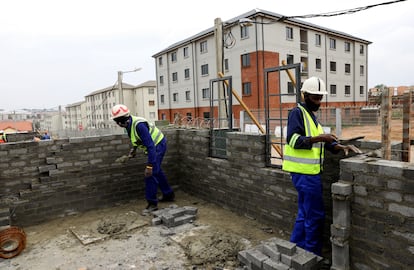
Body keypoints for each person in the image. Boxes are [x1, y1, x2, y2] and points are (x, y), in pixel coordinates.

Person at [282, 77, 362, 256]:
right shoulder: (297, 113)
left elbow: (321, 142)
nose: (318, 101)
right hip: (305, 175)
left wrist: (339, 147)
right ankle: (311, 254)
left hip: (308, 174)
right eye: (314, 97)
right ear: (305, 95)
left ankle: (295, 248)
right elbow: (293, 140)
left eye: (320, 97)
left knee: (304, 214)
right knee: (315, 215)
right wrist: (321, 138)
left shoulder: (311, 117)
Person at [111, 104, 175, 214]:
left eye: (117, 122)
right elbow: (136, 138)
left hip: (157, 146)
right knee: (157, 171)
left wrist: (149, 166)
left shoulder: (139, 125)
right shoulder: (129, 124)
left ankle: (152, 204)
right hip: (155, 146)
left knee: (150, 174)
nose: (117, 124)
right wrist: (134, 149)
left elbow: (150, 146)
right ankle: (168, 194)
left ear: (120, 121)